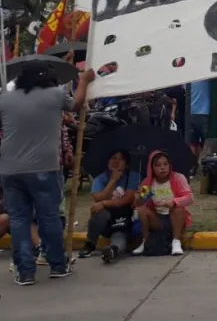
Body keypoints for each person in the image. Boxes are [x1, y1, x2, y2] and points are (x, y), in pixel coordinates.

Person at [1, 65, 94, 285]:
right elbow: (77, 104)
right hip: (45, 167)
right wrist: (84, 81)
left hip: (10, 169)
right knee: (49, 217)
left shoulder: (5, 99)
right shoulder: (55, 94)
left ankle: (25, 272)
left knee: (19, 220)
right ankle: (58, 265)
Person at [81, 149, 141, 264]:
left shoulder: (133, 176)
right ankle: (90, 243)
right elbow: (97, 198)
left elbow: (126, 199)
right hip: (106, 216)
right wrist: (113, 180)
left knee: (119, 236)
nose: (116, 161)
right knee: (97, 212)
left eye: (121, 159)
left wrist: (104, 203)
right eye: (113, 158)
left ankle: (113, 251)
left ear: (127, 164)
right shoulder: (101, 178)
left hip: (123, 216)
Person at [133, 151, 194, 257]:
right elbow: (140, 204)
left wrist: (173, 202)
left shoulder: (178, 178)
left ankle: (176, 241)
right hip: (157, 218)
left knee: (179, 209)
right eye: (158, 165)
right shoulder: (148, 182)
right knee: (142, 210)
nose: (163, 168)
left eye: (165, 164)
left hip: (174, 217)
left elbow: (189, 198)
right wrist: (138, 198)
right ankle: (145, 241)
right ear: (151, 168)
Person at [188, 80, 211, 156]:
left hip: (191, 113)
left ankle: (193, 161)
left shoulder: (190, 81)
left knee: (193, 142)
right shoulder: (207, 79)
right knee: (205, 142)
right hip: (204, 113)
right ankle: (204, 160)